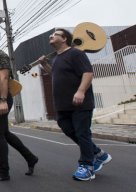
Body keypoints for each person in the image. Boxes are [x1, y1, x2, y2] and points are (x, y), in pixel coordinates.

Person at [38, 28, 111, 181]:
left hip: (80, 104)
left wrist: (81, 91)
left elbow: (88, 72)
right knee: (67, 129)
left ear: (64, 39)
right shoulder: (57, 58)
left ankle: (87, 167)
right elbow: (56, 74)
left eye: (55, 34)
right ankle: (98, 153)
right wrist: (45, 65)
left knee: (82, 133)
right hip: (63, 105)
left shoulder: (76, 53)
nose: (51, 36)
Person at [0, 28, 39, 181]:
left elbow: (4, 79)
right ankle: (31, 158)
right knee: (5, 133)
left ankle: (3, 172)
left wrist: (2, 101)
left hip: (1, 97)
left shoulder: (0, 56)